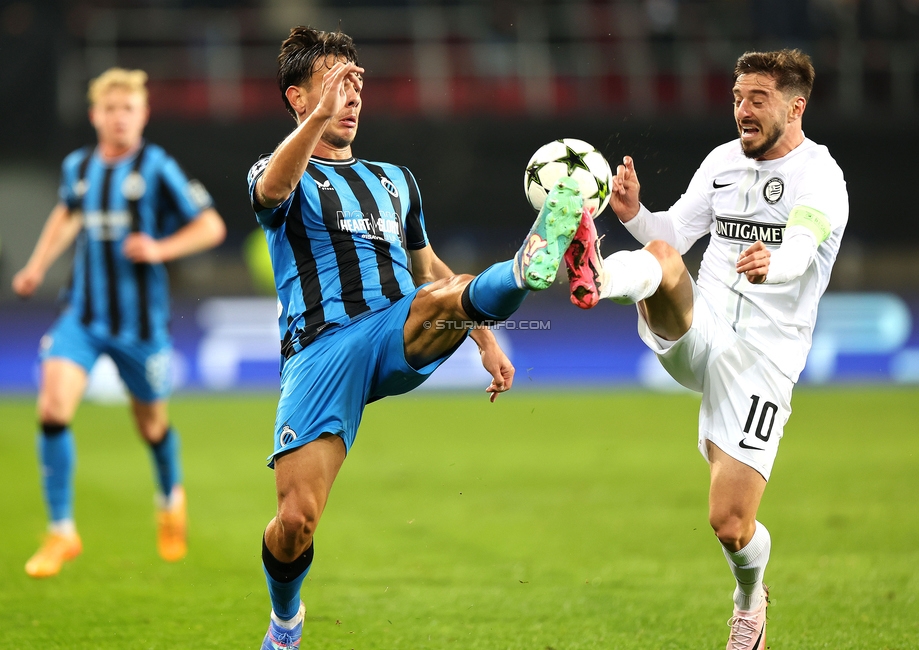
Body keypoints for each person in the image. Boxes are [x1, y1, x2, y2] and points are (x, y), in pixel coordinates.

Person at [249, 27, 585, 650]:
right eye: (333, 84)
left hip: (396, 327)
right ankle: (286, 620)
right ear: (297, 97)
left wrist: (485, 341)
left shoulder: (396, 180)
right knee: (295, 523)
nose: (350, 97)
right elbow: (271, 193)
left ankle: (523, 265)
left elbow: (430, 270)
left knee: (435, 297)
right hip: (320, 353)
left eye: (355, 84)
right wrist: (317, 117)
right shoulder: (277, 171)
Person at [565, 49, 848, 649]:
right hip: (703, 326)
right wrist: (635, 214)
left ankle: (750, 598)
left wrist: (777, 262)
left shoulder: (821, 176)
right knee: (665, 261)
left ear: (796, 107)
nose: (742, 111)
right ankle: (598, 275)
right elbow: (673, 234)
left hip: (763, 362)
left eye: (758, 100)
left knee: (730, 524)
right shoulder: (722, 161)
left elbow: (804, 243)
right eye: (738, 98)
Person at [12, 68, 227, 578]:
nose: (119, 118)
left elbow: (211, 225)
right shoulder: (78, 168)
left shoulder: (157, 167)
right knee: (52, 406)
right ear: (95, 116)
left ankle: (170, 499)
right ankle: (62, 531)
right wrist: (37, 265)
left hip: (141, 327)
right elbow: (67, 215)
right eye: (110, 110)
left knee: (151, 425)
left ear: (143, 115)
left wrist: (160, 247)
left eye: (128, 109)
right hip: (83, 317)